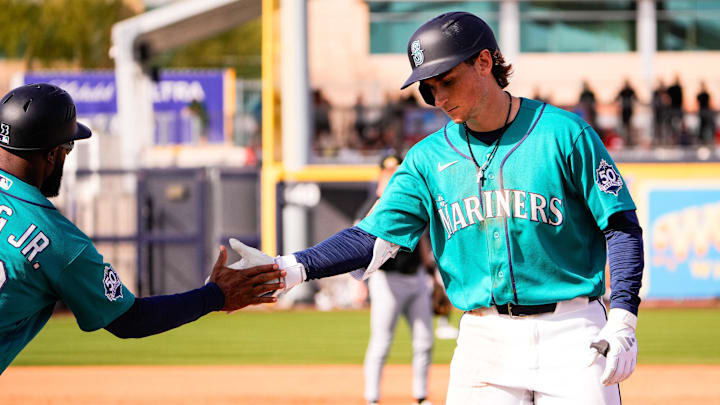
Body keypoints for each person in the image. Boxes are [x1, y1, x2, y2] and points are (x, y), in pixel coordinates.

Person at [232, 11, 644, 405]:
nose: (439, 97)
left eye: (446, 80)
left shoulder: (564, 133)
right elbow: (372, 236)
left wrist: (624, 314)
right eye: (428, 88)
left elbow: (621, 225)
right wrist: (289, 267)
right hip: (485, 338)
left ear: (485, 61)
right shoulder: (427, 158)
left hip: (571, 331)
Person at [0, 83, 284, 374]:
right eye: (68, 147)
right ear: (52, 155)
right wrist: (216, 294)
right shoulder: (56, 239)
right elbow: (130, 319)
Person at [360, 153, 435, 405]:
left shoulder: (411, 201)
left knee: (424, 341)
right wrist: (359, 284)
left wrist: (432, 274)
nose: (392, 173)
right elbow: (357, 247)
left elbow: (422, 239)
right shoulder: (372, 205)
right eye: (388, 169)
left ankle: (421, 396)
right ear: (381, 172)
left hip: (416, 278)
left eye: (397, 168)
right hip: (386, 281)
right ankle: (372, 398)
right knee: (381, 342)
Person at [616, 79, 637, 146]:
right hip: (624, 111)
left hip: (629, 110)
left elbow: (636, 98)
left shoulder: (631, 91)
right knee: (624, 126)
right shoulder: (622, 91)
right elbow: (616, 98)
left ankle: (630, 141)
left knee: (629, 126)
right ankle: (625, 140)